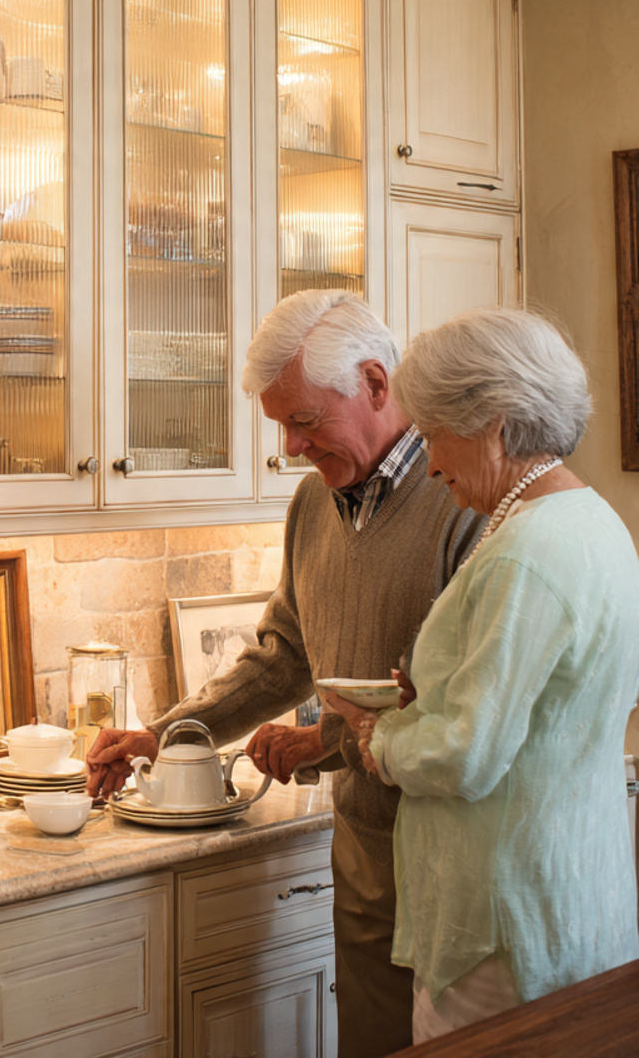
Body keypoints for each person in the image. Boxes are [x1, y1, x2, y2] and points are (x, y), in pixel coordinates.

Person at [86, 289, 484, 1058]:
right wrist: (165, 736)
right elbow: (283, 660)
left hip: (457, 875)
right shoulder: (313, 502)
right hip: (363, 872)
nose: (291, 446)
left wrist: (320, 743)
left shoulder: (464, 497)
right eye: (280, 425)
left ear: (375, 383)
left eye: (304, 420)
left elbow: (463, 704)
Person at [319, 308, 639, 1044]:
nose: (430, 465)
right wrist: (434, 699)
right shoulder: (595, 524)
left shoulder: (524, 553)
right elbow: (551, 705)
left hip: (498, 927)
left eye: (435, 435)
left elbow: (466, 755)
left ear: (492, 425)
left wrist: (377, 735)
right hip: (574, 892)